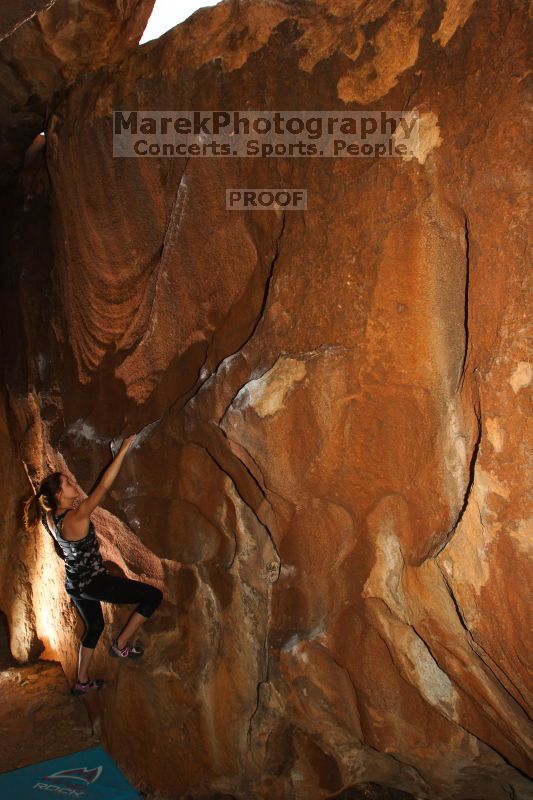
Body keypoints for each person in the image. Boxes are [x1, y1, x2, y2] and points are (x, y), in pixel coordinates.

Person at [23, 433, 163, 696]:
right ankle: (121, 645)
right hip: (93, 583)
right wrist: (122, 451)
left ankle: (82, 681)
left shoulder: (51, 517)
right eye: (67, 483)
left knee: (95, 627)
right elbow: (102, 488)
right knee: (153, 596)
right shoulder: (75, 517)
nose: (72, 482)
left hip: (74, 583)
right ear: (58, 494)